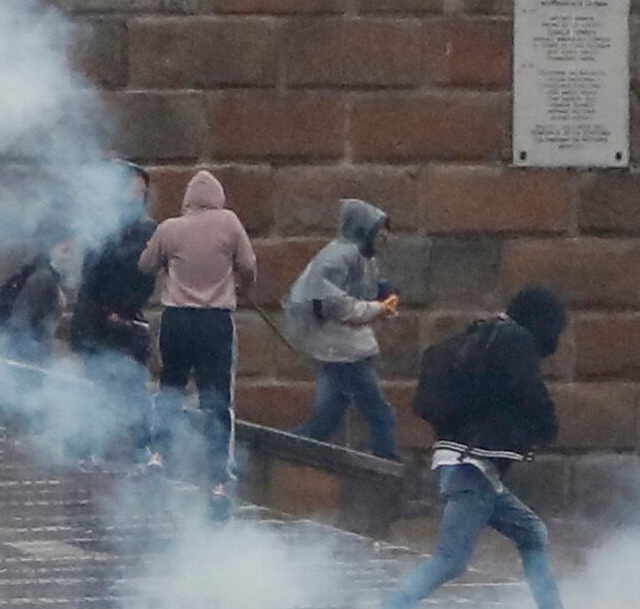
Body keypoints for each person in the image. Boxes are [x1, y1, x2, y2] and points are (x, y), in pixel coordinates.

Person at [375, 286, 602, 609]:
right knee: (451, 560)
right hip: (471, 468)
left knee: (532, 534)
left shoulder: (487, 336)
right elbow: (529, 394)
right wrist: (545, 425)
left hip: (469, 466)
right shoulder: (514, 341)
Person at [139, 170, 257, 505]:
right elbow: (248, 265)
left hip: (176, 319)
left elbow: (145, 265)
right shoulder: (229, 223)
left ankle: (158, 455)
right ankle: (217, 478)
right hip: (215, 321)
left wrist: (168, 265)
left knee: (170, 389)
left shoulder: (170, 228)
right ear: (218, 198)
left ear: (188, 200)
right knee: (216, 399)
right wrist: (242, 286)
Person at [285, 198, 401, 461]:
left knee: (325, 421)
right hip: (344, 351)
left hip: (340, 349)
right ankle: (389, 471)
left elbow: (365, 288)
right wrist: (379, 308)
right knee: (381, 415)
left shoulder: (357, 256)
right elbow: (335, 304)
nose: (384, 236)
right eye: (379, 229)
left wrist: (386, 294)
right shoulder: (340, 256)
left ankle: (286, 454)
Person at [68, 162, 159, 461]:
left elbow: (142, 276)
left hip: (120, 320)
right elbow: (93, 274)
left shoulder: (144, 229)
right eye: (132, 191)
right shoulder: (105, 225)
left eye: (141, 193)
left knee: (130, 385)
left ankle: (136, 449)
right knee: (96, 388)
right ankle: (87, 448)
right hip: (99, 319)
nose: (135, 197)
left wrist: (124, 310)